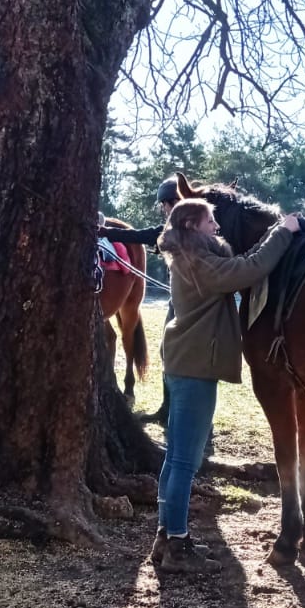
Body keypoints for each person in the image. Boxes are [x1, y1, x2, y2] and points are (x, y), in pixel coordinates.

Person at [152, 196, 300, 573]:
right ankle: (179, 547)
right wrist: (283, 232)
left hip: (186, 363)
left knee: (175, 458)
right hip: (195, 367)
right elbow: (250, 268)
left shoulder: (188, 257)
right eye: (209, 223)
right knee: (186, 461)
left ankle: (166, 536)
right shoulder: (198, 262)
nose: (216, 228)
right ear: (190, 227)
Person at [99, 175, 181, 427]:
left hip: (187, 301)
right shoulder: (180, 227)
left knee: (175, 352)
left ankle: (174, 411)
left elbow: (151, 235)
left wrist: (108, 231)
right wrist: (106, 231)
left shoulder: (183, 230)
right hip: (179, 298)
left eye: (165, 206)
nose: (164, 211)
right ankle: (168, 409)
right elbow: (149, 234)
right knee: (169, 350)